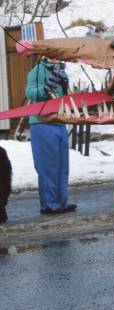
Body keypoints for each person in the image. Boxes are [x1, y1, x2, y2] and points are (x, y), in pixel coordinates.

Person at [25, 58, 75, 215]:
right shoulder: (37, 70)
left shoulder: (62, 72)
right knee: (48, 167)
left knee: (62, 166)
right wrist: (46, 88)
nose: (56, 58)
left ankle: (61, 201)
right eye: (52, 55)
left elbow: (64, 95)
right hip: (42, 122)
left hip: (59, 122)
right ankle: (49, 204)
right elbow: (30, 93)